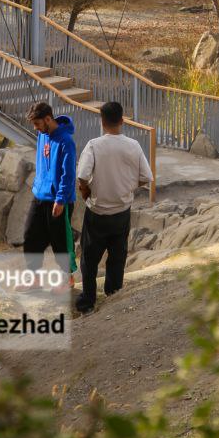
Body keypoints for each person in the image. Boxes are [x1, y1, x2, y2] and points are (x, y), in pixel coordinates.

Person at [74, 100, 154, 316]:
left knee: (89, 260)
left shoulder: (94, 145)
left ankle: (88, 302)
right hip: (122, 212)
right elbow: (146, 177)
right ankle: (114, 293)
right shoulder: (133, 145)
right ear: (122, 120)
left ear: (102, 121)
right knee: (117, 256)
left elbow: (82, 174)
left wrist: (85, 190)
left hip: (98, 212)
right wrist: (128, 187)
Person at [22, 102, 77, 276]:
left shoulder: (66, 141)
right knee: (30, 236)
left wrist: (60, 199)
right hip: (40, 195)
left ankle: (66, 277)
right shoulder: (42, 135)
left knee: (60, 241)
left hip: (59, 200)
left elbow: (68, 174)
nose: (35, 128)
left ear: (48, 119)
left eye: (37, 124)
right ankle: (33, 277)